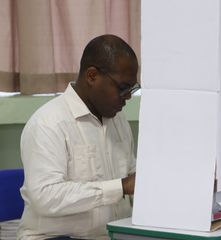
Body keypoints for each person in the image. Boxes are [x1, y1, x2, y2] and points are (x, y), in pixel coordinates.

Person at [17, 34, 140, 240]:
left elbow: (132, 175)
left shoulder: (118, 120)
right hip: (56, 237)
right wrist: (121, 187)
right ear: (92, 76)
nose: (128, 97)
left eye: (132, 89)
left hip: (113, 235)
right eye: (122, 88)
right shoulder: (49, 123)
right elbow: (45, 196)